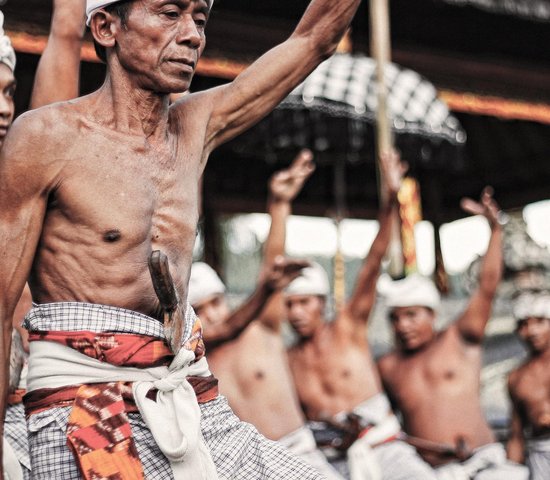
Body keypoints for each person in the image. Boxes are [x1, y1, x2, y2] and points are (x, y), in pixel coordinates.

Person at [0, 0, 362, 478]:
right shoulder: (46, 137)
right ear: (107, 28)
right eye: (170, 13)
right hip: (85, 408)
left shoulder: (196, 126)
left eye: (200, 18)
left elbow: (312, 41)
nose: (193, 35)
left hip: (185, 394)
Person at [189, 152, 343, 479]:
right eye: (198, 310)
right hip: (244, 468)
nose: (210, 314)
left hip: (300, 455)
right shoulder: (192, 363)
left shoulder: (263, 327)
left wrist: (279, 203)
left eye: (215, 302)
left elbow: (272, 272)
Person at [285, 151, 435, 480]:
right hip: (331, 459)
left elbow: (372, 263)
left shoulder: (348, 327)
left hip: (382, 445)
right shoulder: (286, 360)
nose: (297, 313)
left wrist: (391, 199)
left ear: (321, 303)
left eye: (305, 302)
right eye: (290, 304)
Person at [377, 188, 529, 479]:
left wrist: (495, 230)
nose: (403, 325)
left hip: (486, 464)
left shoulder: (459, 338)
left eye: (411, 315)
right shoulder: (387, 367)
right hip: (432, 473)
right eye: (395, 318)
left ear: (432, 314)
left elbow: (487, 286)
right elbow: (381, 427)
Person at [1, 3, 86, 479]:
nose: (5, 107)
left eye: (10, 91)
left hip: (46, 405)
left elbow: (68, 33)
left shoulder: (31, 169)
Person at [507, 292, 550, 479]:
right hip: (539, 454)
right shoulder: (517, 377)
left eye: (539, 321)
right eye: (524, 324)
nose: (532, 331)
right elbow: (516, 435)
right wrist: (508, 470)